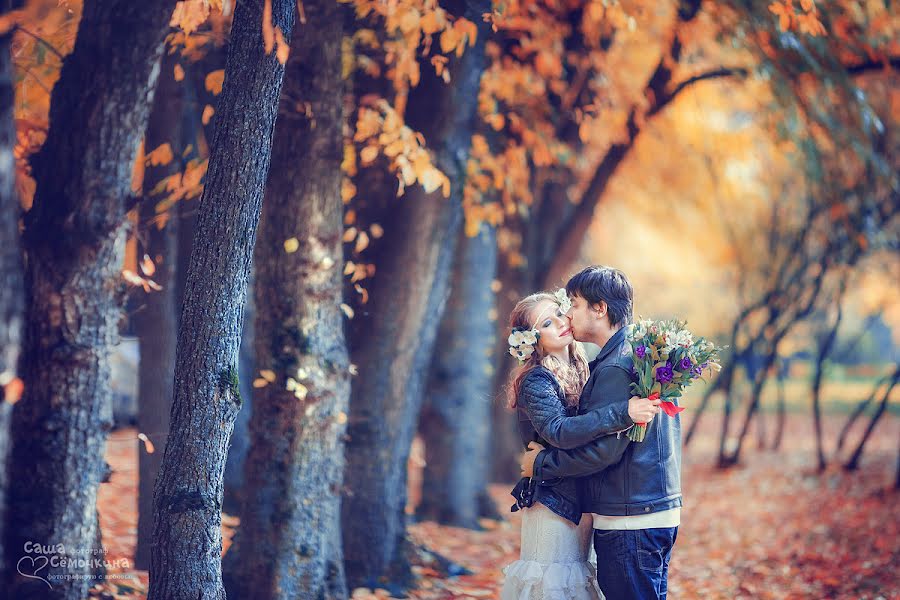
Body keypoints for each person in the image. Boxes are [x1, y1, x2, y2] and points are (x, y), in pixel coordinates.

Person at [521, 266, 683, 600]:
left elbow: (603, 453)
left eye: (575, 304)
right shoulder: (643, 352)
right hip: (653, 509)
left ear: (600, 308)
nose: (568, 313)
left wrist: (540, 465)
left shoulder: (615, 366)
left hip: (631, 519)